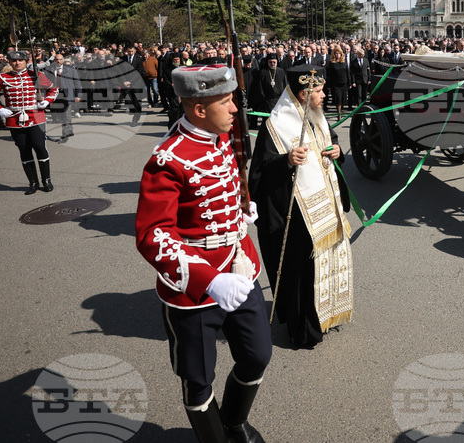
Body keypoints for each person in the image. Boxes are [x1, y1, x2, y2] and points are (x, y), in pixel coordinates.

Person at [134, 64, 271, 443]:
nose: (233, 110)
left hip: (240, 267)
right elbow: (152, 235)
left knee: (257, 354)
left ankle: (232, 421)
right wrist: (209, 281)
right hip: (194, 286)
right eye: (226, 102)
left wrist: (242, 208)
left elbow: (226, 179)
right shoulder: (167, 159)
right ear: (198, 109)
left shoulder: (220, 135)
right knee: (198, 379)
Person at [248, 64, 352, 349]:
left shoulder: (317, 116)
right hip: (295, 215)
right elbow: (258, 174)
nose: (323, 94)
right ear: (303, 95)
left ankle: (325, 315)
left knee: (323, 267)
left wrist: (338, 152)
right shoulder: (277, 125)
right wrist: (287, 161)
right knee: (302, 274)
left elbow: (329, 145)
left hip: (324, 207)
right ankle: (303, 329)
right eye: (317, 91)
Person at [0, 51, 59, 194]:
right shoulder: (2, 77)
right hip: (15, 119)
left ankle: (46, 180)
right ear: (9, 62)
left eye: (20, 60)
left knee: (39, 146)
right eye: (14, 61)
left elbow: (54, 89)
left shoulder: (35, 75)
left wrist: (47, 101)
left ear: (25, 61)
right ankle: (33, 182)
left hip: (36, 117)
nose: (17, 63)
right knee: (24, 149)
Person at [48, 54, 81, 144]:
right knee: (61, 115)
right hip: (56, 95)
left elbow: (77, 82)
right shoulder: (50, 70)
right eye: (57, 59)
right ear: (54, 60)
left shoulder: (70, 70)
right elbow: (46, 83)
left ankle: (65, 134)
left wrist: (78, 95)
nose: (58, 61)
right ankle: (69, 130)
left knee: (66, 114)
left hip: (67, 94)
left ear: (63, 60)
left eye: (60, 59)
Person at [325, 45, 350, 117]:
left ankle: (341, 110)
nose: (337, 55)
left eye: (339, 53)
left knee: (343, 100)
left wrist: (349, 83)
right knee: (338, 99)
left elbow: (348, 73)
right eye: (336, 53)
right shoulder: (331, 63)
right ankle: (339, 114)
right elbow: (329, 75)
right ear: (334, 54)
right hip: (335, 84)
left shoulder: (344, 62)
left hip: (344, 83)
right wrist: (329, 85)